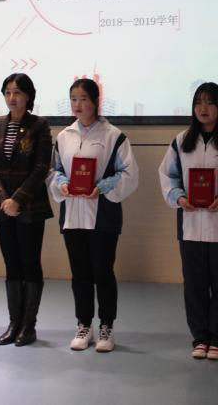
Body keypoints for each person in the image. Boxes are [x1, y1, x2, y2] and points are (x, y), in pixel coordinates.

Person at [158, 82, 218, 361]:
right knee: (194, 286)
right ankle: (200, 337)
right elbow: (167, 177)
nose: (203, 108)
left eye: (210, 102)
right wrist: (179, 198)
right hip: (190, 225)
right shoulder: (181, 141)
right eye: (198, 102)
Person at [49, 78, 138, 352]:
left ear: (96, 101)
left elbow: (129, 173)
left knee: (103, 272)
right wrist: (61, 183)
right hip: (73, 215)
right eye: (73, 99)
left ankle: (106, 327)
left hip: (103, 215)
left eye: (83, 99)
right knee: (80, 273)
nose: (77, 104)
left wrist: (104, 186)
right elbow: (54, 170)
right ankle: (84, 324)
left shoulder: (113, 136)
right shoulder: (64, 136)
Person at [0, 73, 53, 347]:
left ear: (28, 96)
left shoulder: (39, 126)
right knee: (11, 264)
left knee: (30, 263)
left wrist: (18, 200)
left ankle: (28, 325)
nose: (12, 98)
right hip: (2, 207)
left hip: (30, 206)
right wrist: (4, 199)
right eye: (8, 92)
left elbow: (41, 167)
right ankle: (14, 323)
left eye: (18, 93)